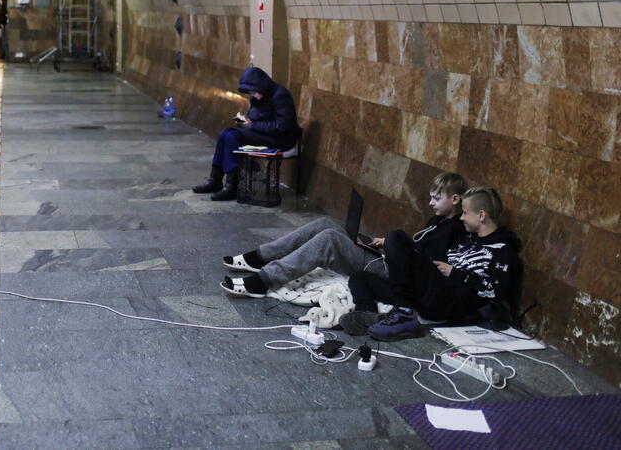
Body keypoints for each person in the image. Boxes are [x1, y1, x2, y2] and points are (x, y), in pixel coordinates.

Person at [221, 172, 467, 298]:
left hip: (392, 274)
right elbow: (417, 247)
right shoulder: (438, 221)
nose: (430, 202)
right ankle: (260, 257)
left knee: (329, 239)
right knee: (324, 223)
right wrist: (387, 243)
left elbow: (426, 265)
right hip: (389, 259)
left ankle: (264, 281)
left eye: (437, 198)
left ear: (455, 199)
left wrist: (394, 247)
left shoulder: (455, 229)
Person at [342, 186, 520, 341]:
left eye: (465, 213)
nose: (461, 218)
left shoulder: (502, 250)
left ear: (481, 215)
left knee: (395, 237)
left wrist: (454, 272)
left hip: (450, 301)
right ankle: (369, 315)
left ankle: (404, 314)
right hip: (431, 292)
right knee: (360, 278)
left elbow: (495, 291)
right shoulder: (466, 239)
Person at [192, 66, 300, 201]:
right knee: (225, 133)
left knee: (233, 136)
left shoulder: (280, 95)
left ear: (262, 85)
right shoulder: (258, 97)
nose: (253, 95)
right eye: (251, 93)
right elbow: (255, 118)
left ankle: (232, 186)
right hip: (264, 133)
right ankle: (215, 179)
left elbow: (282, 126)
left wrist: (251, 125)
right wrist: (244, 121)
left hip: (280, 138)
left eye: (254, 92)